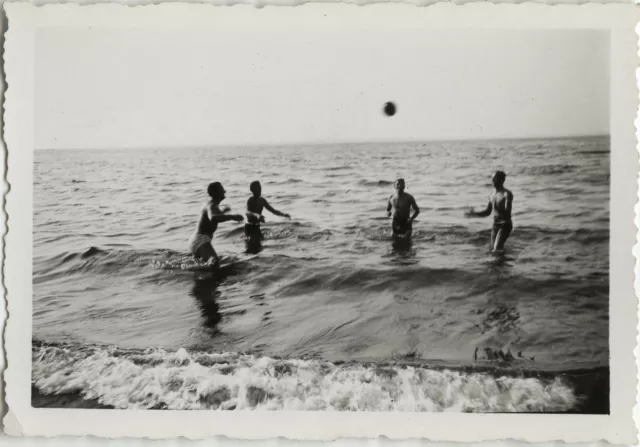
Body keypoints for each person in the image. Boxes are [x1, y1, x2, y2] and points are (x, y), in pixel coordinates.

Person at [188, 182, 244, 264]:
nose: (225, 191)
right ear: (216, 192)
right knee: (214, 262)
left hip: (196, 241)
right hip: (201, 240)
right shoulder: (212, 205)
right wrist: (232, 217)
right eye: (222, 189)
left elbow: (211, 218)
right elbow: (213, 218)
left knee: (203, 266)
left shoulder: (211, 205)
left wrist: (223, 212)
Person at [465, 170, 514, 252]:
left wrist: (500, 210)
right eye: (492, 179)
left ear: (501, 180)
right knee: (492, 249)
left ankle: (502, 261)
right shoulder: (492, 195)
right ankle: (503, 261)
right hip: (496, 225)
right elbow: (487, 212)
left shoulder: (507, 194)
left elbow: (508, 212)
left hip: (505, 224)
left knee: (497, 249)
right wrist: (474, 214)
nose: (493, 181)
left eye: (495, 179)